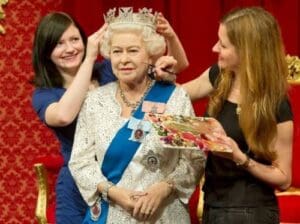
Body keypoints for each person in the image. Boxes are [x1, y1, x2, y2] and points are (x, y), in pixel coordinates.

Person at [31, 10, 190, 224]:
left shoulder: (108, 70)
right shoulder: (45, 94)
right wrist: (88, 57)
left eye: (75, 39)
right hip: (82, 185)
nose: (69, 48)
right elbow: (64, 115)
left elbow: (175, 67)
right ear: (46, 51)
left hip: (137, 179)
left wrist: (167, 46)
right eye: (59, 44)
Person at [69, 7, 206, 224]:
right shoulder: (95, 101)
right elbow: (80, 162)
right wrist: (114, 192)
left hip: (164, 213)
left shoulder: (175, 97)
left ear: (150, 54)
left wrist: (164, 188)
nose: (123, 59)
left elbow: (195, 159)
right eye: (117, 51)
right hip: (112, 213)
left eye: (133, 51)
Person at [182, 7, 293, 223]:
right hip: (214, 205)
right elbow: (176, 96)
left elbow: (283, 178)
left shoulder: (276, 104)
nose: (214, 48)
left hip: (250, 211)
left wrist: (239, 157)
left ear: (247, 51)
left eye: (223, 45)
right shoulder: (219, 76)